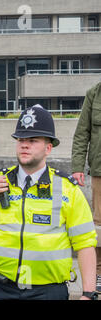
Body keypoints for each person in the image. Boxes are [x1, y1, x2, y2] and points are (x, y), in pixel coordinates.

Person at [0, 104, 98, 300]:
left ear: (48, 148)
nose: (24, 145)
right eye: (21, 140)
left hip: (47, 292)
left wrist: (88, 293)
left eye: (33, 140)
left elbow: (85, 242)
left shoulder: (68, 188)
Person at [71, 81, 101, 292]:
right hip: (100, 171)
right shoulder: (94, 94)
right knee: (98, 225)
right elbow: (82, 133)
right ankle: (98, 274)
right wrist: (77, 167)